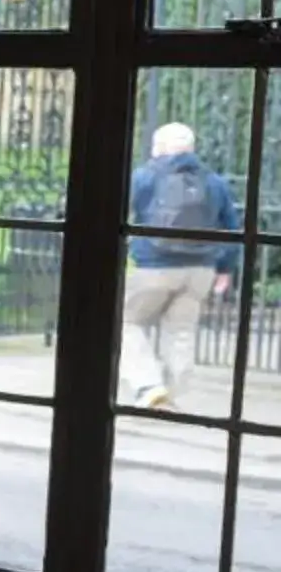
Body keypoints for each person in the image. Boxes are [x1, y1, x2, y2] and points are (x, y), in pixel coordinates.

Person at [122, 121, 242, 408]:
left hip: (154, 266)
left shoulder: (144, 177)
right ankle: (173, 392)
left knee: (125, 322)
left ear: (160, 148)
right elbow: (232, 228)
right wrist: (225, 268)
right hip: (201, 270)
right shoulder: (214, 182)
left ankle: (148, 385)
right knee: (182, 330)